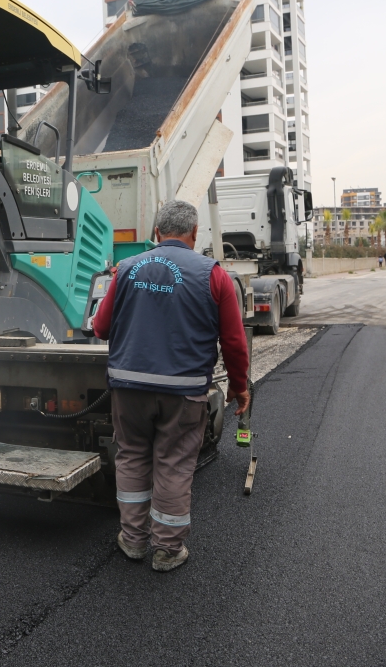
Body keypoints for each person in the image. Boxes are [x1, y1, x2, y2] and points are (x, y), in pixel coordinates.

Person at [89, 200, 250, 572]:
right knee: (174, 465)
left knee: (131, 455)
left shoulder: (126, 269)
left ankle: (132, 541)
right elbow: (234, 342)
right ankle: (167, 550)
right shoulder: (215, 275)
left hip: (128, 389)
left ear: (156, 234)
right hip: (185, 393)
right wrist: (239, 387)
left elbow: (100, 328)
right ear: (195, 234)